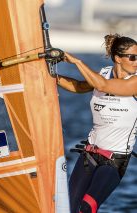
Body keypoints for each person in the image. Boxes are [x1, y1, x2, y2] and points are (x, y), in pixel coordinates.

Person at [57, 34, 137, 213]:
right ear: (118, 58)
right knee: (67, 208)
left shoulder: (135, 81)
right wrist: (51, 76)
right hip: (89, 155)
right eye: (133, 57)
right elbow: (79, 86)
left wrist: (77, 62)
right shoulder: (103, 74)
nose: (136, 61)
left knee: (87, 207)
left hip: (114, 162)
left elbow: (102, 86)